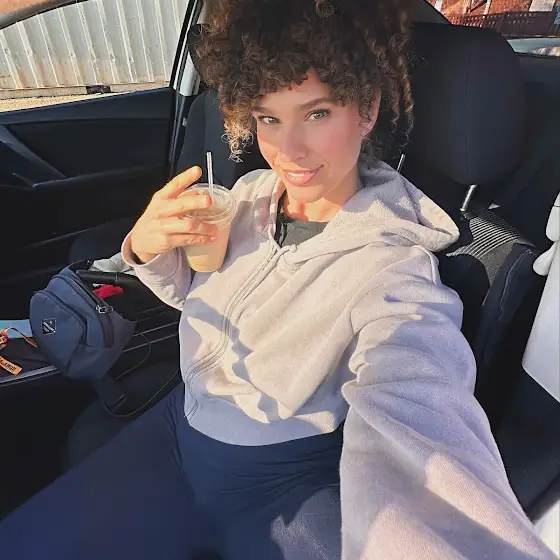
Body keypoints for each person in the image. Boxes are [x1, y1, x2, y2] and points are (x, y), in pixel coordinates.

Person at [0, 1, 553, 559]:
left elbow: (419, 411)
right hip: (176, 429)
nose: (288, 151)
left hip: (280, 484)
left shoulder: (394, 271)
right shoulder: (248, 196)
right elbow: (193, 294)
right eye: (269, 118)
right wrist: (146, 250)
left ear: (366, 110)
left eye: (317, 114)